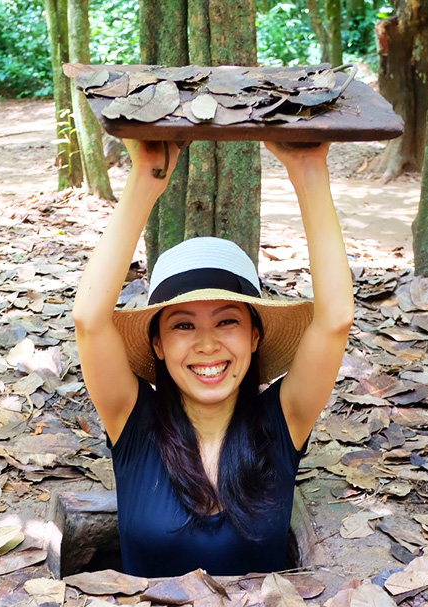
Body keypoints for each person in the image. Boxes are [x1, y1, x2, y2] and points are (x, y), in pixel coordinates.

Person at [72, 139, 354, 578]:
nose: (207, 345)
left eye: (226, 322)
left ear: (255, 335)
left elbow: (334, 320)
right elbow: (90, 321)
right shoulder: (130, 419)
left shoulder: (284, 420)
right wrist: (147, 177)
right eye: (183, 325)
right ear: (159, 345)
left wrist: (310, 168)